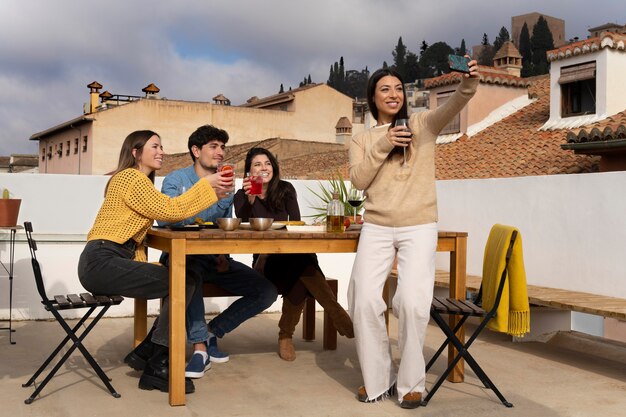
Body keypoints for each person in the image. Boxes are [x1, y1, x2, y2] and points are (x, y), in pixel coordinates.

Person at [347, 61, 480, 409]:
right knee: (362, 300)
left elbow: (454, 105)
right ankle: (378, 379)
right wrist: (383, 144)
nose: (394, 94)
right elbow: (359, 181)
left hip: (419, 224)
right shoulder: (362, 139)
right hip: (376, 224)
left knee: (410, 301)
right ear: (373, 98)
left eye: (398, 89)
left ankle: (410, 384)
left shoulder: (422, 125)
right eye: (385, 89)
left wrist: (468, 83)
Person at [77, 130, 232, 394]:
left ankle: (151, 354)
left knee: (186, 278)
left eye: (162, 146)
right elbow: (172, 210)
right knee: (182, 280)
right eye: (155, 146)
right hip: (101, 261)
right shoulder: (129, 178)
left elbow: (137, 235)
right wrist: (208, 186)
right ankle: (157, 362)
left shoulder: (140, 183)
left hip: (108, 260)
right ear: (136, 153)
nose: (162, 152)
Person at [156, 125, 278, 379]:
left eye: (222, 147)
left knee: (266, 291)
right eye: (213, 146)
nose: (220, 152)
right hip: (183, 256)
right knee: (190, 275)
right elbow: (166, 219)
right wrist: (202, 193)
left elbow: (225, 222)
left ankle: (214, 331)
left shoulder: (226, 183)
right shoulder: (175, 180)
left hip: (214, 257)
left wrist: (224, 253)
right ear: (196, 150)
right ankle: (200, 348)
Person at [233, 147, 354, 361]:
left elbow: (295, 224)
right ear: (248, 172)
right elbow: (243, 224)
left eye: (267, 163)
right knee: (304, 267)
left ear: (274, 167)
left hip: (292, 254)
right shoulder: (242, 196)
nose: (264, 168)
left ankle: (286, 335)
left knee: (300, 265)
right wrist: (250, 200)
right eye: (257, 164)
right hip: (264, 260)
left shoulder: (286, 189)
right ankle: (336, 313)